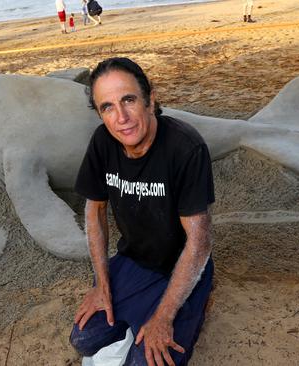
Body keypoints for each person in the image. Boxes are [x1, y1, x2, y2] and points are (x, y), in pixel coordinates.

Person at [70, 57, 215, 365]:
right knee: (83, 339)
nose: (121, 117)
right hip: (135, 261)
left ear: (150, 97)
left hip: (182, 267)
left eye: (128, 100)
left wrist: (163, 317)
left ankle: (198, 302)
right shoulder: (102, 143)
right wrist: (101, 284)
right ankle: (137, 316)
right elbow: (94, 213)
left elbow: (199, 242)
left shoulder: (185, 148)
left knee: (144, 361)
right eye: (107, 107)